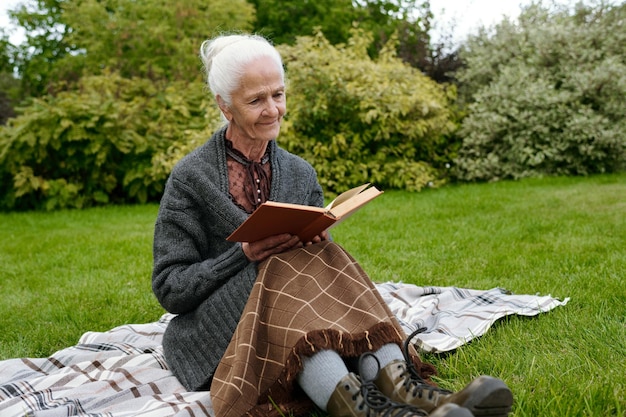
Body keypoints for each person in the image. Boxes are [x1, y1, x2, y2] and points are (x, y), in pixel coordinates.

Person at [151, 34, 514, 417]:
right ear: (224, 106)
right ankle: (366, 409)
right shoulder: (191, 179)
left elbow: (317, 280)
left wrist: (314, 236)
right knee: (281, 264)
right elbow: (170, 288)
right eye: (256, 100)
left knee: (324, 252)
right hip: (220, 330)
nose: (273, 109)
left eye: (278, 94)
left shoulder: (298, 172)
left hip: (296, 315)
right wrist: (242, 254)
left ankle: (403, 389)